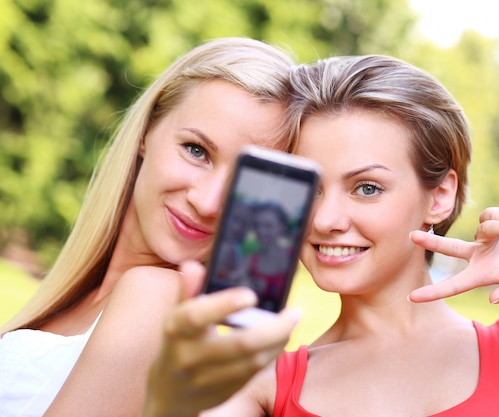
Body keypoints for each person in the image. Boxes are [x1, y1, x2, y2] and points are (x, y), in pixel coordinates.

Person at [139, 54, 499, 417]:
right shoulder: (258, 384)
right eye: (310, 187)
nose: (326, 219)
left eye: (366, 187)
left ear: (439, 195)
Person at [0, 37, 301, 417]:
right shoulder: (84, 296)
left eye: (246, 181)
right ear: (147, 131)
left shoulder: (158, 298)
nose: (207, 203)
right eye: (197, 150)